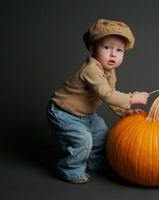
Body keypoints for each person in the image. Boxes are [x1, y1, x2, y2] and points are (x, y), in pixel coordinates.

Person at [47, 19, 149, 184]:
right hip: (64, 113)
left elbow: (111, 96)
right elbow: (107, 95)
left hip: (86, 114)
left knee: (102, 135)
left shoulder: (110, 71)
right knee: (83, 141)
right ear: (93, 48)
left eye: (119, 50)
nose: (113, 54)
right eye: (107, 47)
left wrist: (125, 112)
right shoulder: (91, 69)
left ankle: (95, 163)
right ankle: (69, 170)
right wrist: (132, 98)